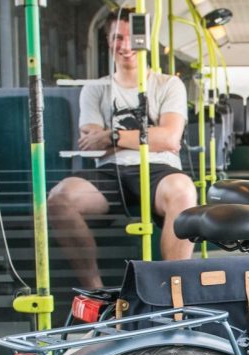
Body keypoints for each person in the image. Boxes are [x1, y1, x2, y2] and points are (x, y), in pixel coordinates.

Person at [48, 8, 197, 289]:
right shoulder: (95, 89)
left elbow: (168, 139)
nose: (125, 46)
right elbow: (91, 142)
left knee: (184, 191)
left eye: (132, 38)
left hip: (159, 168)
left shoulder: (168, 84)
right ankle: (95, 291)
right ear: (108, 42)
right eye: (117, 38)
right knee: (59, 199)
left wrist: (111, 136)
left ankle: (173, 292)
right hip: (110, 172)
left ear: (145, 41)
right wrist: (141, 136)